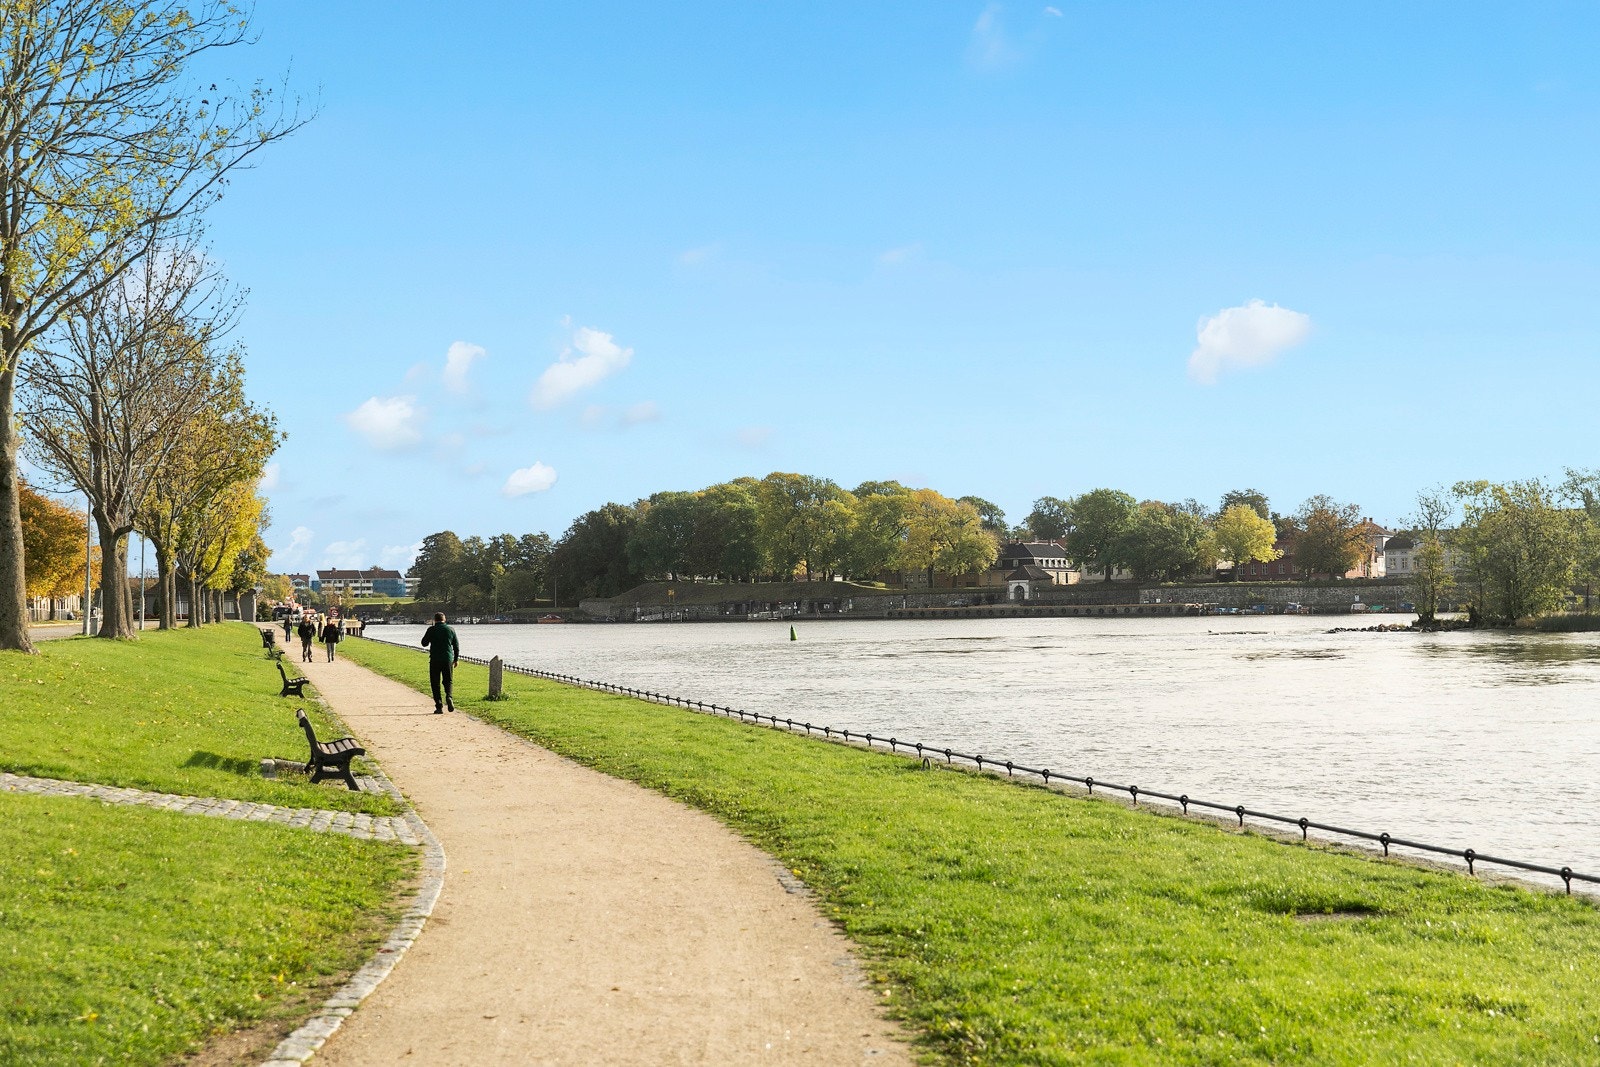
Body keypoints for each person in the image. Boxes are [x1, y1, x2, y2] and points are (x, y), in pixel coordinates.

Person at [420, 611, 460, 714]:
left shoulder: (431, 630)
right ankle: (449, 697)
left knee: (435, 683)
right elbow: (456, 646)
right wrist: (456, 659)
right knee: (448, 681)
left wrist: (431, 635)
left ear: (435, 620)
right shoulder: (451, 629)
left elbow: (424, 643)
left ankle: (439, 706)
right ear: (444, 619)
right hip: (447, 659)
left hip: (435, 659)